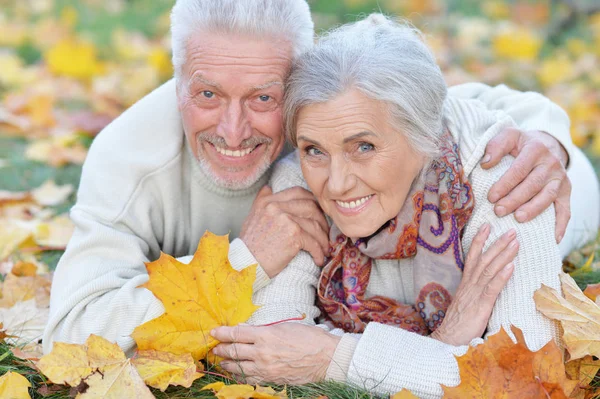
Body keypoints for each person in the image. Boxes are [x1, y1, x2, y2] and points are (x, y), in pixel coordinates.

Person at [44, 0, 578, 355]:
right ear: (177, 79)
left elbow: (450, 105)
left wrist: (549, 133)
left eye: (263, 98)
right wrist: (245, 262)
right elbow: (70, 332)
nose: (232, 132)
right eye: (207, 94)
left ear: (301, 83)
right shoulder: (128, 157)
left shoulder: (479, 163)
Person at [210, 14, 600, 398]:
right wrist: (449, 341)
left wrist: (334, 355)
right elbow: (266, 345)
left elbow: (525, 374)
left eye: (363, 147)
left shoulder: (506, 184)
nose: (337, 183)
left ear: (424, 138)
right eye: (314, 150)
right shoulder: (299, 177)